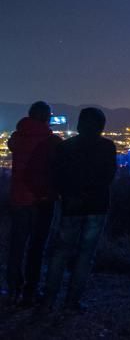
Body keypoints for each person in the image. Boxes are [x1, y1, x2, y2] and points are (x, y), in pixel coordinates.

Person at [43, 107, 117, 310]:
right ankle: (72, 301)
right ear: (101, 126)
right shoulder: (107, 147)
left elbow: (56, 176)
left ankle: (49, 299)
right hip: (96, 206)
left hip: (71, 206)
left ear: (79, 124)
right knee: (85, 254)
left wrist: (69, 195)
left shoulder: (65, 147)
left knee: (61, 252)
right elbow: (109, 176)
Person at [6, 101, 61, 306]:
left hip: (18, 198)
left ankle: (13, 288)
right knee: (37, 247)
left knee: (17, 245)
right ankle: (31, 289)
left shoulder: (16, 138)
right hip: (41, 200)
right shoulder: (50, 141)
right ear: (47, 117)